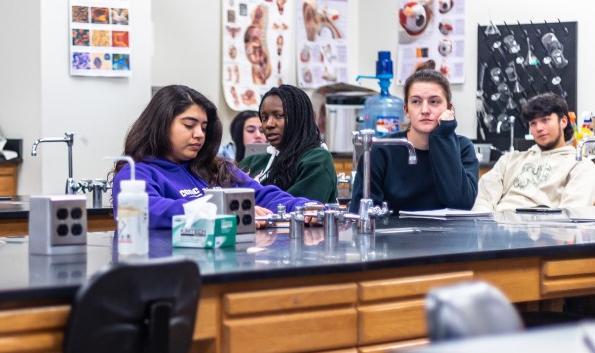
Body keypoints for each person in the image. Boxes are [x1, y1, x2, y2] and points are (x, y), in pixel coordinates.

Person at [112, 84, 319, 230]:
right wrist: (223, 210)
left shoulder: (216, 169)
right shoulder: (135, 174)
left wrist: (304, 207)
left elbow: (261, 196)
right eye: (188, 125)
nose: (200, 134)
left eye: (203, 127)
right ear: (160, 125)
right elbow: (150, 212)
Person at [348, 67, 478, 213]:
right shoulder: (380, 149)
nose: (424, 110)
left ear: (449, 109)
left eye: (434, 102)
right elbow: (360, 215)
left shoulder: (463, 148)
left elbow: (461, 204)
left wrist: (442, 137)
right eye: (416, 102)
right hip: (391, 235)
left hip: (446, 234)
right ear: (406, 110)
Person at [473, 92, 595, 212]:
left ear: (563, 121)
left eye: (545, 120)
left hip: (544, 229)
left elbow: (570, 215)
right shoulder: (510, 160)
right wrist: (485, 226)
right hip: (496, 227)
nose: (539, 128)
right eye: (533, 123)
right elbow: (483, 200)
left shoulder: (580, 166)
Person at [239, 86, 338, 203]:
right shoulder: (251, 163)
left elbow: (296, 211)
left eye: (278, 116)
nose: (269, 124)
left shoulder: (316, 160)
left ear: (298, 118)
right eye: (265, 118)